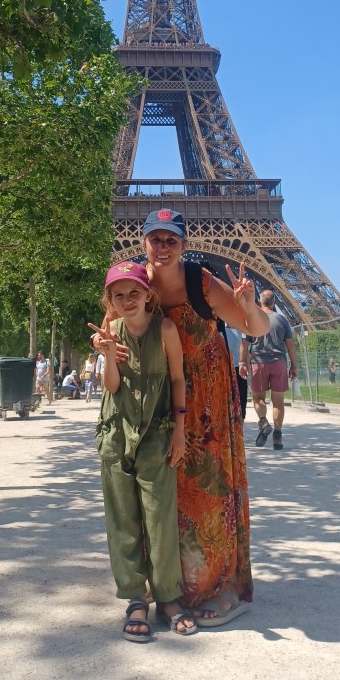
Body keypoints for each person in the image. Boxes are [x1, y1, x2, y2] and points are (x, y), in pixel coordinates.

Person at [92, 208, 270, 627]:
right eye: (156, 238)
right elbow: (108, 332)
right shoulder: (132, 284)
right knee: (167, 495)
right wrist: (99, 345)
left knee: (210, 492)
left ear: (184, 245)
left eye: (172, 239)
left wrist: (248, 304)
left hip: (206, 400)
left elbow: (255, 328)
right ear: (144, 243)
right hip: (155, 401)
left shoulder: (200, 281)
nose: (163, 247)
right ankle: (167, 583)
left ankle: (218, 586)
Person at [88, 261, 197, 642]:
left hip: (157, 432)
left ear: (148, 294)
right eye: (119, 295)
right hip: (116, 433)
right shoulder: (111, 333)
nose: (127, 300)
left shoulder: (166, 330)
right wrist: (106, 355)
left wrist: (181, 431)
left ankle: (168, 597)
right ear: (111, 302)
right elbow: (113, 388)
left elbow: (179, 379)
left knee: (160, 519)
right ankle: (136, 597)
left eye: (134, 292)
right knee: (122, 520)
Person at [240, 289, 298, 451]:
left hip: (258, 362)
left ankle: (263, 422)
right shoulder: (282, 320)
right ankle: (278, 435)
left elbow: (244, 344)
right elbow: (290, 345)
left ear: (260, 302)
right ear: (274, 303)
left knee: (258, 398)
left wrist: (242, 363)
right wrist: (294, 365)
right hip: (278, 361)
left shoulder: (252, 319)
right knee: (278, 402)